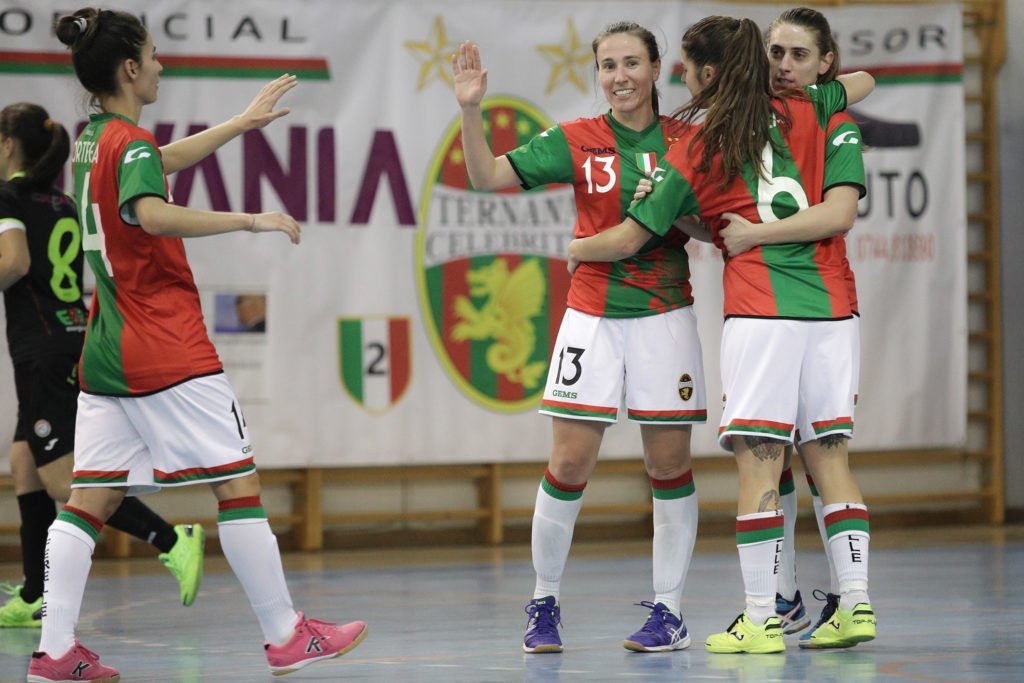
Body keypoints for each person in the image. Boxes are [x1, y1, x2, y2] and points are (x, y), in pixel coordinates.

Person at [28, 9, 366, 681]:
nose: (160, 65)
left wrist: (240, 124)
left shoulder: (94, 138)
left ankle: (55, 650)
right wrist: (249, 218)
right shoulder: (131, 146)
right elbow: (149, 208)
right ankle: (286, 633)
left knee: (88, 499)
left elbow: (155, 164)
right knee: (237, 485)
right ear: (130, 68)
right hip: (166, 348)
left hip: (107, 348)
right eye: (153, 56)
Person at [566, 15, 876, 654]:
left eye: (684, 64)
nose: (679, 75)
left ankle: (762, 617)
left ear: (709, 72)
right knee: (830, 459)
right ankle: (857, 605)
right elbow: (859, 86)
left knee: (758, 462)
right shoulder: (818, 106)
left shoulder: (701, 142)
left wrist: (576, 246)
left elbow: (631, 236)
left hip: (763, 310)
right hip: (832, 308)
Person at [452, 23, 706, 654]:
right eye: (607, 65)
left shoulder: (688, 141)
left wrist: (674, 210)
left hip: (664, 314)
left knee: (668, 465)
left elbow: (715, 223)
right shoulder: (577, 139)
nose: (619, 76)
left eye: (631, 64)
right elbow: (485, 178)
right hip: (591, 316)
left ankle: (669, 614)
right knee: (567, 463)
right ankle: (543, 603)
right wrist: (470, 109)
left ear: (655, 70)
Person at [0, 102, 204, 630]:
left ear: (6, 147)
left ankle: (171, 538)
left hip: (40, 351)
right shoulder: (63, 201)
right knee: (24, 462)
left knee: (64, 481)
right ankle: (33, 592)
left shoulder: (8, 197)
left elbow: (15, 262)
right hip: (74, 336)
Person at [756, 6, 872, 647]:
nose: (783, 66)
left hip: (823, 305)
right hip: (760, 309)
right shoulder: (747, 114)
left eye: (799, 55)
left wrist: (755, 234)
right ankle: (785, 598)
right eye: (775, 52)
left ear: (826, 61)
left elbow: (839, 215)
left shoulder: (834, 118)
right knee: (767, 458)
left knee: (821, 455)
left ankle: (852, 601)